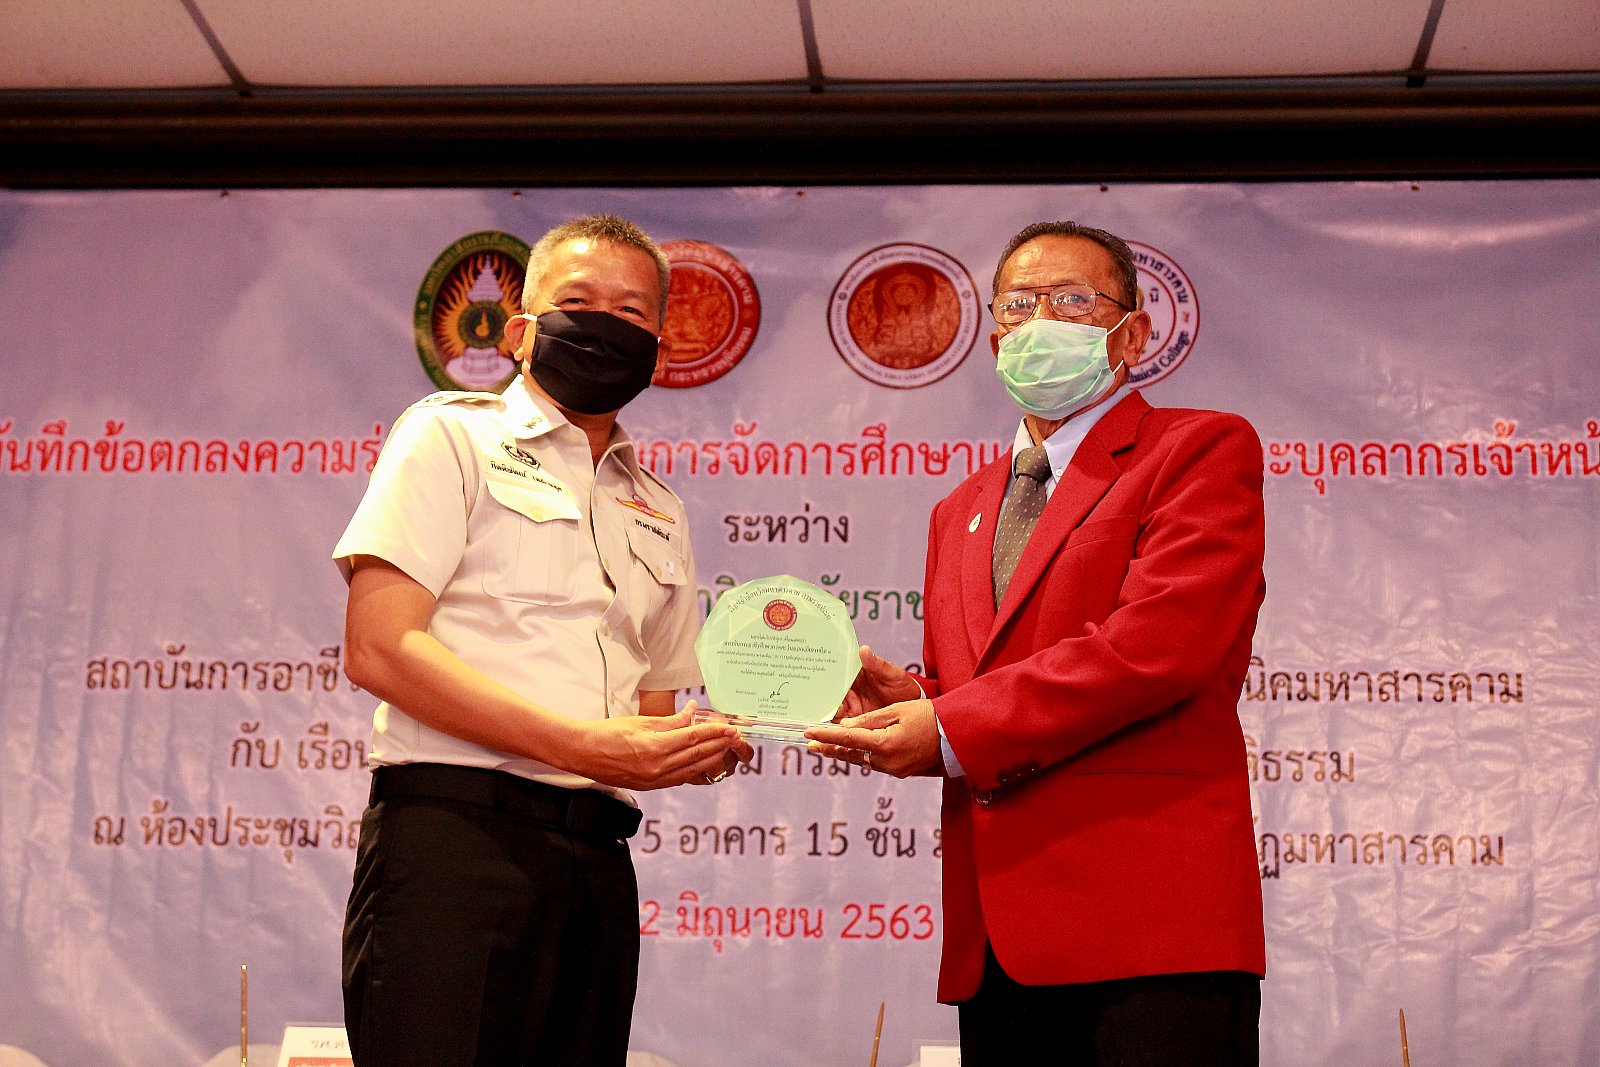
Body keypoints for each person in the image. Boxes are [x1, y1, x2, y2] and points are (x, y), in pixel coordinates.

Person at [808, 221, 1267, 1065]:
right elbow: (974, 686)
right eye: (1018, 304)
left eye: (1071, 300)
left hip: (1152, 928)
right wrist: (915, 702)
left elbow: (1158, 647)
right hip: (998, 940)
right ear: (994, 342)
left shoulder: (1195, 448)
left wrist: (948, 726)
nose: (1040, 320)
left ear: (1132, 333)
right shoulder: (958, 508)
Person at [334, 214, 747, 1067]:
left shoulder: (659, 508)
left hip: (598, 862)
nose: (603, 325)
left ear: (657, 350)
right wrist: (582, 746)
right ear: (520, 331)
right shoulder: (451, 436)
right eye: (578, 302)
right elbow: (378, 646)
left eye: (630, 313)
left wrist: (714, 740)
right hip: (455, 844)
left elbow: (651, 713)